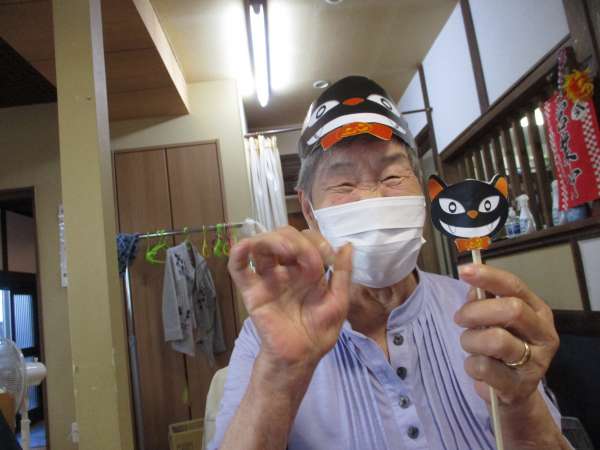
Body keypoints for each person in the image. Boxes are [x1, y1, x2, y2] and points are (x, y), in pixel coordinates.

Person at [208, 76, 571, 450]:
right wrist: (278, 375)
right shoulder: (265, 338)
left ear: (422, 192)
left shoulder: (481, 310)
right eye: (344, 184)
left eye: (393, 176)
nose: (374, 198)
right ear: (309, 209)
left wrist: (520, 402)